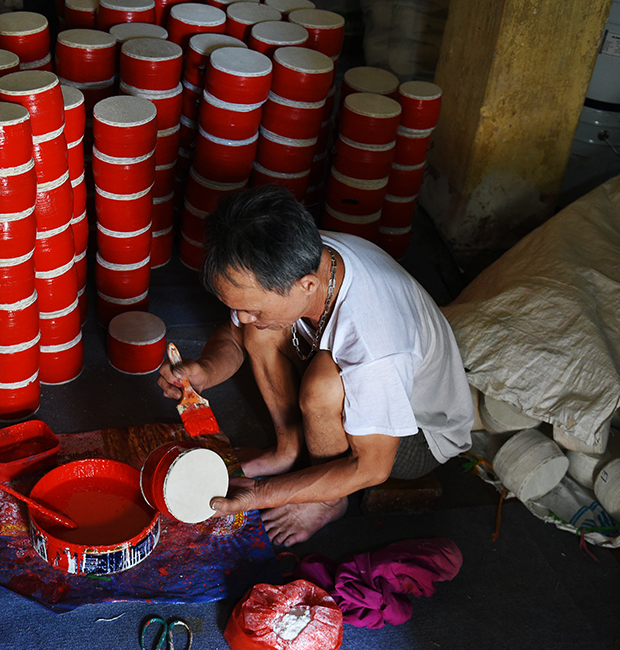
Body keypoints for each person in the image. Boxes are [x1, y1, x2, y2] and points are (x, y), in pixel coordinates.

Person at [158, 186, 474, 546]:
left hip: (417, 435)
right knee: (261, 332)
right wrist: (205, 372)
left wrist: (262, 494)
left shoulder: (376, 343)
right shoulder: (292, 256)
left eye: (254, 308)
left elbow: (372, 467)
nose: (242, 316)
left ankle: (327, 499)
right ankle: (287, 451)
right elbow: (234, 335)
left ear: (306, 285)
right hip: (368, 385)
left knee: (324, 383)